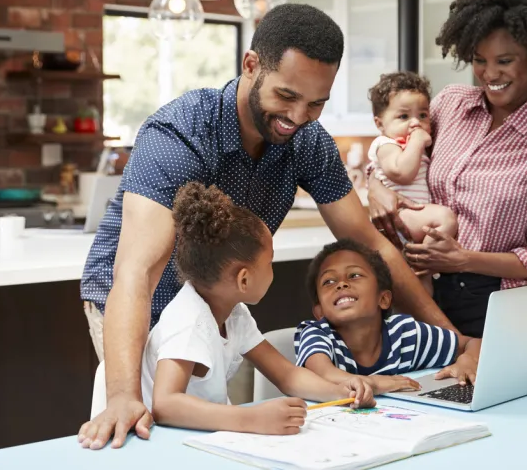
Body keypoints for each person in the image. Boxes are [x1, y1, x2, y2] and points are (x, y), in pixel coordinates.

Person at [78, 3, 456, 451]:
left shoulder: (308, 143)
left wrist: (455, 341)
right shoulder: (181, 133)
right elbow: (137, 273)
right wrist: (122, 396)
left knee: (211, 431)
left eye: (316, 103)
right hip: (137, 302)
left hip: (215, 306)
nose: (299, 116)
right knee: (144, 428)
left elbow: (370, 243)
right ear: (251, 65)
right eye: (287, 96)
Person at [369, 0, 527, 338]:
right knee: (413, 391)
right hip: (415, 283)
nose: (489, 74)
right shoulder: (449, 103)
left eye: (504, 60)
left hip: (488, 299)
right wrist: (373, 186)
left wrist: (464, 259)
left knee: (478, 393)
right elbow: (395, 150)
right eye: (479, 59)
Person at [130, 182, 374, 439]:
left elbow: (287, 375)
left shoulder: (234, 314)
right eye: (269, 262)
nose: (272, 270)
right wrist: (252, 418)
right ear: (243, 280)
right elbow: (166, 405)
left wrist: (342, 392)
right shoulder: (188, 320)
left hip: (201, 438)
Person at [295, 239, 481, 393]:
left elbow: (473, 343)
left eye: (354, 275)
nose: (341, 284)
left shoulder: (406, 334)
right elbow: (323, 373)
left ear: (383, 299)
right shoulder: (316, 334)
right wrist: (373, 383)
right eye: (329, 281)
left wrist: (467, 359)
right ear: (319, 312)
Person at [365, 71, 458, 294]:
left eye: (423, 115)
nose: (415, 123)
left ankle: (420, 320)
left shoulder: (412, 146)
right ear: (380, 123)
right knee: (446, 217)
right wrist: (417, 141)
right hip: (399, 215)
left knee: (422, 292)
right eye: (404, 117)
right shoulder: (385, 144)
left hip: (413, 218)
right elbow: (401, 173)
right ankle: (422, 258)